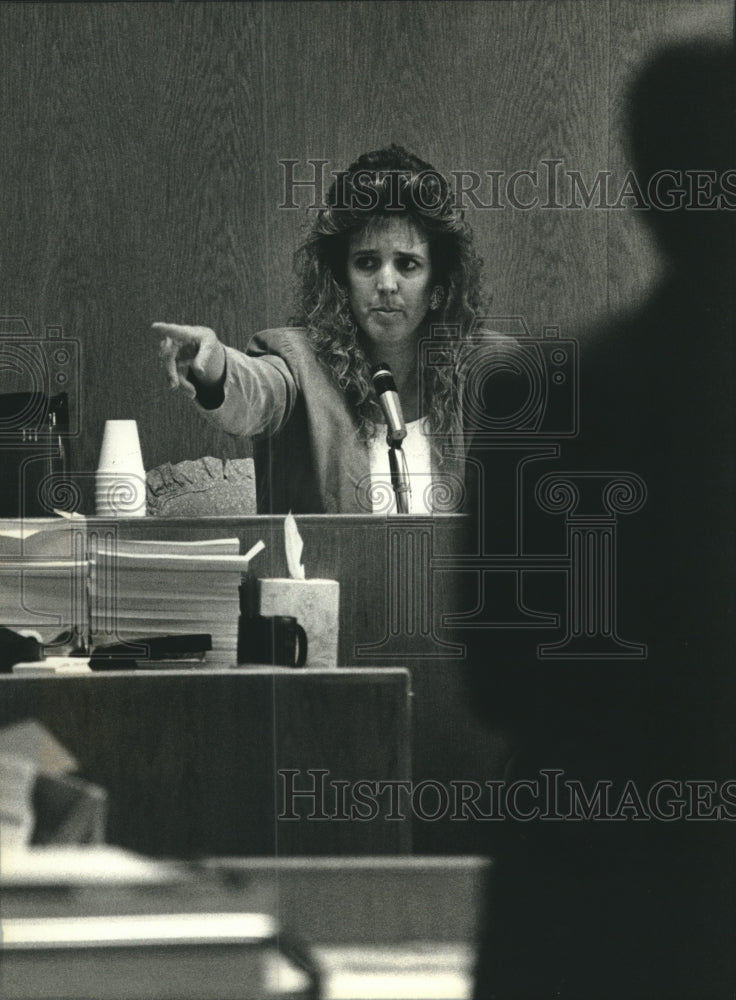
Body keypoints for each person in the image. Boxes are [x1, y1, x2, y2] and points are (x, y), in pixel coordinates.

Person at [154, 145, 486, 514]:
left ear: (438, 285)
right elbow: (255, 394)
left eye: (407, 264)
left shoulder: (490, 373)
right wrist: (215, 367)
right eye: (366, 263)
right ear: (341, 279)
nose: (387, 283)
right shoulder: (297, 363)